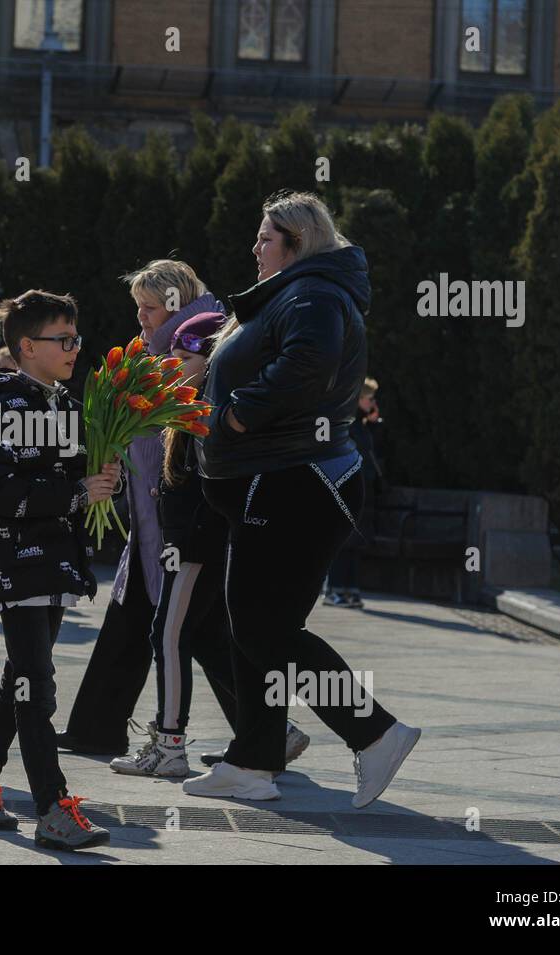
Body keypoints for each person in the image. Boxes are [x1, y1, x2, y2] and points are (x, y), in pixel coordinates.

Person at [187, 190, 420, 807]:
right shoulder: (297, 293)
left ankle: (375, 734)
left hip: (298, 481)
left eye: (265, 238)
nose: (254, 247)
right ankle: (252, 760)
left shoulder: (313, 293)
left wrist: (234, 416)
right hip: (281, 482)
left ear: (298, 242)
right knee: (256, 626)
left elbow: (306, 367)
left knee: (263, 628)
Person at [0, 290, 118, 851]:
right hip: (17, 564)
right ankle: (51, 806)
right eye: (62, 340)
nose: (74, 348)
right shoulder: (1, 408)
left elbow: (66, 475)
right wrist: (74, 493)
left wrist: (100, 469)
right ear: (27, 347)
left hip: (55, 561)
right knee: (36, 688)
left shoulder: (62, 403)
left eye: (76, 339)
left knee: (20, 677)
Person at [109, 311, 311, 776]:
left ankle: (169, 744)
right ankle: (271, 733)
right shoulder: (193, 402)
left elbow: (206, 485)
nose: (171, 365)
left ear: (211, 358)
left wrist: (186, 538)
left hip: (198, 543)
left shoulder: (212, 405)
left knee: (168, 634)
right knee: (205, 636)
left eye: (182, 356)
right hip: (198, 540)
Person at [57, 259, 225, 756]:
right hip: (155, 522)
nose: (142, 319)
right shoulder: (159, 355)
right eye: (139, 309)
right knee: (139, 620)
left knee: (200, 631)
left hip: (182, 520)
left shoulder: (199, 342)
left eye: (149, 309)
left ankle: (268, 734)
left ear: (176, 302)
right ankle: (95, 728)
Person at [324, 377, 383, 609]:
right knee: (344, 541)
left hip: (363, 488)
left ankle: (349, 589)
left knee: (356, 541)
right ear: (358, 399)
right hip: (348, 487)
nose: (373, 403)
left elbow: (373, 451)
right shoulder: (347, 424)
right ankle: (335, 589)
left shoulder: (361, 426)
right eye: (370, 399)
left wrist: (374, 423)